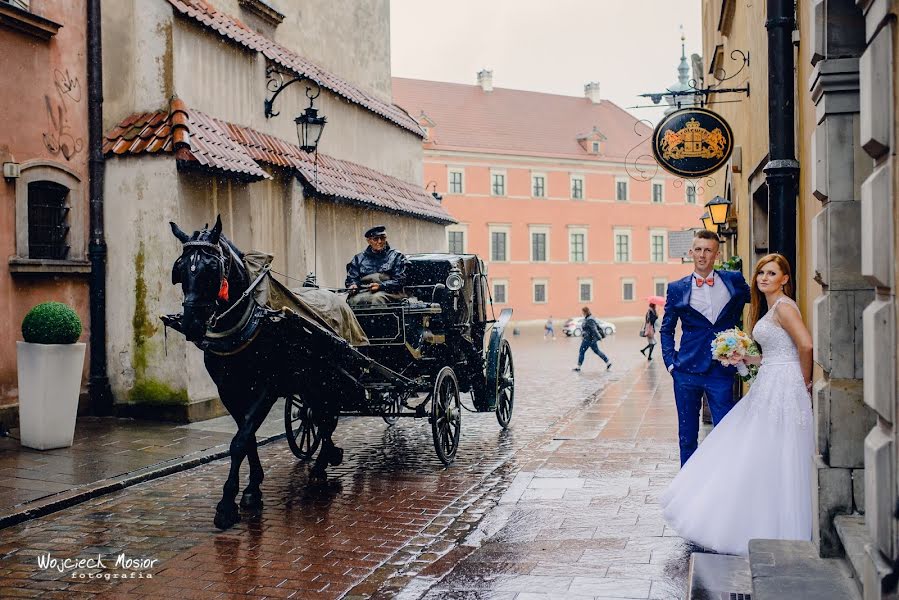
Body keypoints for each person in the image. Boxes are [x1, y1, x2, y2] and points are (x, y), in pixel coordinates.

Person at [660, 254, 814, 555]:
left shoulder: (784, 307)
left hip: (785, 385)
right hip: (770, 378)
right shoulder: (770, 308)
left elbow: (805, 345)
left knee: (774, 449)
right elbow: (774, 354)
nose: (764, 278)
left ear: (785, 278)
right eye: (760, 273)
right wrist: (745, 357)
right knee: (761, 449)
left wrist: (804, 382)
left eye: (772, 273)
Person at [659, 229, 751, 466]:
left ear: (716, 254)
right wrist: (671, 364)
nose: (702, 255)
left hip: (721, 370)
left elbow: (761, 301)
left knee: (724, 432)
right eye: (698, 250)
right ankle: (687, 489)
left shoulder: (734, 281)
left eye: (708, 250)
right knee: (687, 436)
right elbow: (666, 329)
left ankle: (721, 484)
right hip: (686, 371)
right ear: (691, 252)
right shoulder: (677, 288)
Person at [345, 226, 409, 306]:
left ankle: (381, 318)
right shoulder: (358, 258)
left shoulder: (397, 256)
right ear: (369, 241)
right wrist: (353, 285)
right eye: (375, 239)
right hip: (365, 292)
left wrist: (381, 286)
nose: (379, 241)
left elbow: (400, 280)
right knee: (353, 300)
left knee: (377, 298)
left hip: (392, 292)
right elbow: (351, 278)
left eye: (382, 238)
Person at [573, 307, 612, 372]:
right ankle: (608, 362)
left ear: (585, 312)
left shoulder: (590, 319)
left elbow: (594, 329)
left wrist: (599, 337)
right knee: (597, 351)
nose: (582, 313)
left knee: (581, 351)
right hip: (590, 339)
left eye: (582, 311)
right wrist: (583, 334)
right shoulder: (587, 318)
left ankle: (578, 367)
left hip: (588, 339)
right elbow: (586, 329)